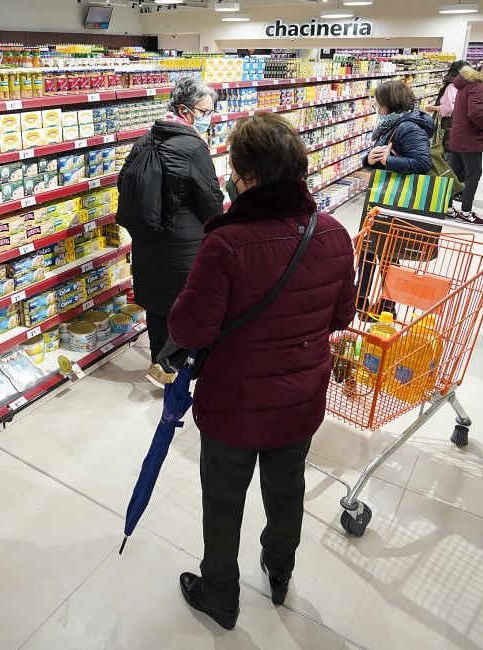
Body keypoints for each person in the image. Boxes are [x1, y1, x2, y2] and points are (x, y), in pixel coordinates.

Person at [167, 112, 357, 631]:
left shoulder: (226, 244)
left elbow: (191, 330)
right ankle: (279, 570)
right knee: (287, 488)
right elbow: (342, 316)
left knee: (224, 499)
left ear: (246, 176)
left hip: (234, 402)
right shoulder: (335, 232)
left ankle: (220, 596)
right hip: (300, 396)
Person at [117, 76, 224, 387]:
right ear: (184, 110)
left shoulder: (145, 139)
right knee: (184, 306)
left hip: (148, 241)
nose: (209, 118)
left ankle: (160, 366)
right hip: (184, 246)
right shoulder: (192, 147)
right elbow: (211, 200)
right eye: (205, 112)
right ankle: (175, 367)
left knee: (157, 306)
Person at [447, 59, 483, 225]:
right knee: (473, 175)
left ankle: (447, 206)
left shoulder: (466, 82)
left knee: (454, 174)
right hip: (470, 137)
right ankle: (466, 211)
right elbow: (475, 113)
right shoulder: (479, 85)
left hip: (458, 134)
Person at [362, 79, 435, 176]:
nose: (378, 108)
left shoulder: (408, 127)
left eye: (379, 104)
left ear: (391, 104)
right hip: (388, 184)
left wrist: (387, 161)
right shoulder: (391, 123)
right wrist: (370, 159)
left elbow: (423, 164)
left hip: (403, 188)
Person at [428, 61, 468, 186]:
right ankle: (456, 186)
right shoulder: (467, 86)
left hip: (450, 125)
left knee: (446, 159)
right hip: (461, 125)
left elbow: (448, 109)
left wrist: (433, 108)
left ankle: (447, 188)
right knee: (457, 159)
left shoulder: (452, 86)